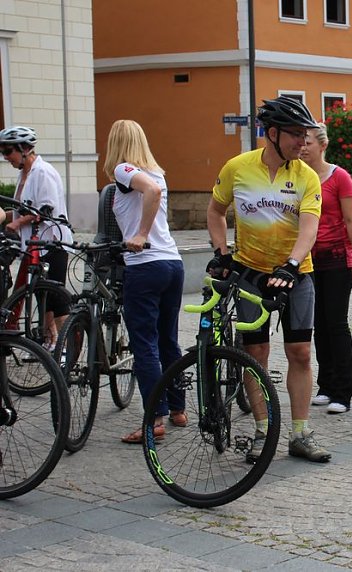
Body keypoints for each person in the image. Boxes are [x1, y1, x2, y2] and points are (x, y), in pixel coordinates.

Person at [207, 95, 331, 463]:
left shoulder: (306, 176)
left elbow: (310, 227)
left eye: (307, 136)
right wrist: (221, 254)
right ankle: (263, 431)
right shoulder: (237, 168)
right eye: (296, 134)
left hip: (295, 275)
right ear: (272, 134)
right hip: (250, 273)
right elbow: (215, 211)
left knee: (301, 352)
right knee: (255, 354)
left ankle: (299, 432)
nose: (304, 142)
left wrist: (291, 265)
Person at [102, 119, 186, 443]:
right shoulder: (156, 171)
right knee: (168, 340)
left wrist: (139, 233)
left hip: (145, 265)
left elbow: (151, 193)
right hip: (172, 263)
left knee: (145, 345)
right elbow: (154, 189)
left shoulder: (125, 170)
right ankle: (178, 408)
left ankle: (155, 418)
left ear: (116, 143)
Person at [300, 122, 352, 414]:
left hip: (337, 258)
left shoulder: (339, 177)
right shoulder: (299, 177)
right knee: (318, 325)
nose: (303, 147)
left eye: (308, 142)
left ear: (322, 146)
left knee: (337, 324)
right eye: (300, 142)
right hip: (307, 260)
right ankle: (325, 386)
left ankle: (343, 392)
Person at [0, 126, 73, 347]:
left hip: (52, 243)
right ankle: (48, 343)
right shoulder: (25, 174)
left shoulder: (43, 172)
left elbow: (45, 210)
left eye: (8, 151)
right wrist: (6, 216)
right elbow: (24, 209)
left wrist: (16, 223)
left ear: (24, 149)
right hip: (34, 246)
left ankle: (67, 349)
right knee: (44, 301)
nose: (6, 157)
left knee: (56, 300)